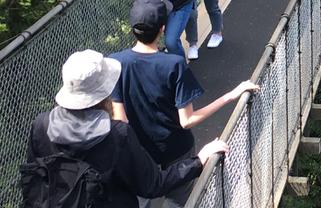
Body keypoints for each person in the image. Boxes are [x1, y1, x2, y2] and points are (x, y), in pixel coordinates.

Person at [22, 49, 228, 208]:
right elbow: (153, 185)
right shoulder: (116, 134)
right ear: (104, 93)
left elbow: (37, 176)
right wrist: (199, 160)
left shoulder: (42, 125)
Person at [110, 0, 258, 208]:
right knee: (176, 203)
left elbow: (119, 120)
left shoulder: (115, 62)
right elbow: (186, 121)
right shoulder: (173, 64)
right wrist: (232, 95)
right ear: (162, 29)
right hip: (176, 150)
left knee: (139, 201)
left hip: (139, 152)